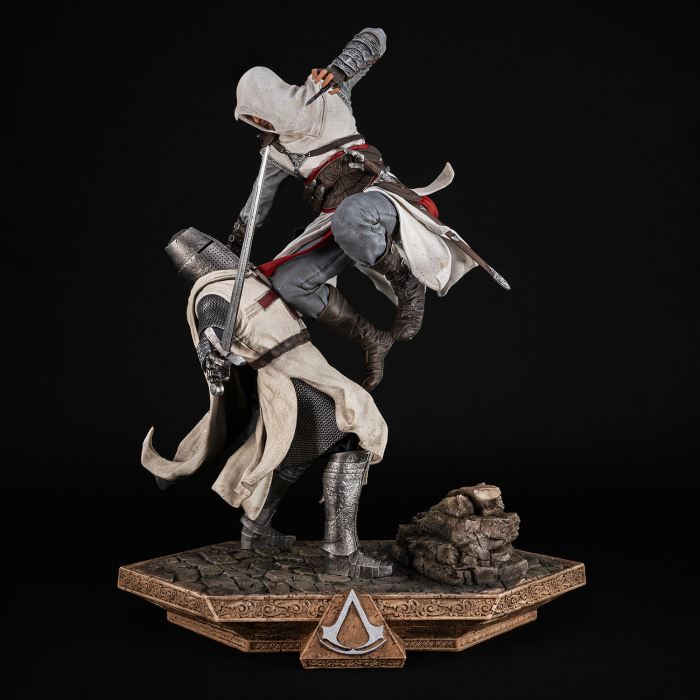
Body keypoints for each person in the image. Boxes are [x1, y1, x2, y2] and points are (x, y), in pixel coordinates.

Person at [230, 27, 502, 391]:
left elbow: (376, 37)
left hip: (378, 200)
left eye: (259, 117)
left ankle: (409, 290)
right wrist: (236, 241)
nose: (260, 126)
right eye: (255, 121)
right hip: (338, 222)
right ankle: (371, 339)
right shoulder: (277, 153)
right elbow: (258, 199)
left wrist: (342, 69)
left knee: (352, 216)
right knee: (289, 282)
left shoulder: (325, 92)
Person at [141, 227, 392, 578]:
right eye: (212, 246)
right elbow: (212, 328)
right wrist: (210, 352)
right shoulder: (213, 295)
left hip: (308, 367)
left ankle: (256, 530)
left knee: (298, 452)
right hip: (288, 379)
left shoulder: (247, 280)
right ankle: (341, 553)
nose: (222, 249)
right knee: (348, 437)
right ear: (202, 259)